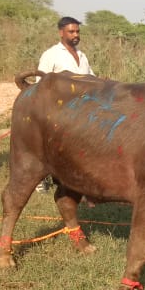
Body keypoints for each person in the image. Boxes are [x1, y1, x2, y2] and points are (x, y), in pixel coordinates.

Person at [35, 16, 94, 191]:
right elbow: (41, 83)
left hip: (81, 112)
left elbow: (91, 79)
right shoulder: (51, 54)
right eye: (71, 31)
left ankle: (70, 180)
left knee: (74, 148)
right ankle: (41, 180)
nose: (75, 35)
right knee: (50, 146)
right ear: (61, 33)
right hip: (58, 110)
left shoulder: (82, 56)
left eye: (77, 31)